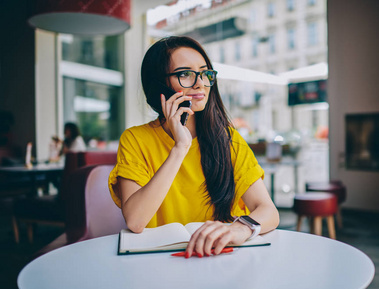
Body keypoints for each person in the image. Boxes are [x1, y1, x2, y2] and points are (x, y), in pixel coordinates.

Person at [108, 36, 279, 258]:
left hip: (222, 257)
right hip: (160, 263)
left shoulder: (229, 139)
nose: (200, 83)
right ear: (159, 84)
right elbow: (136, 221)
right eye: (185, 74)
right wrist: (180, 147)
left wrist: (241, 228)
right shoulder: (136, 139)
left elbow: (269, 211)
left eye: (205, 73)